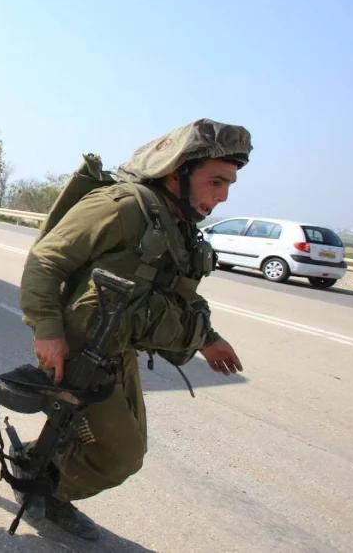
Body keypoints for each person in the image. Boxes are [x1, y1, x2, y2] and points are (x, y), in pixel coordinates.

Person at [17, 119, 252, 539]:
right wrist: (47, 331)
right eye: (215, 181)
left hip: (114, 345)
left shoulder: (175, 221)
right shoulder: (123, 205)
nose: (222, 196)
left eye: (229, 184)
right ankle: (44, 490)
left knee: (124, 441)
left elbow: (177, 291)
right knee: (121, 455)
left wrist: (209, 338)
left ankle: (35, 465)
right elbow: (45, 260)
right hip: (78, 345)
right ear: (174, 171)